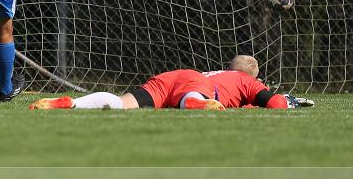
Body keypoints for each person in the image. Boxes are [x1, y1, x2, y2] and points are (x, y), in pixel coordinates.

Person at [29, 55, 314, 110]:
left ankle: (72, 103)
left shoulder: (219, 73)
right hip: (194, 86)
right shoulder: (246, 81)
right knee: (194, 98)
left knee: (124, 103)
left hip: (174, 77)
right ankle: (195, 103)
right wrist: (290, 102)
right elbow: (274, 103)